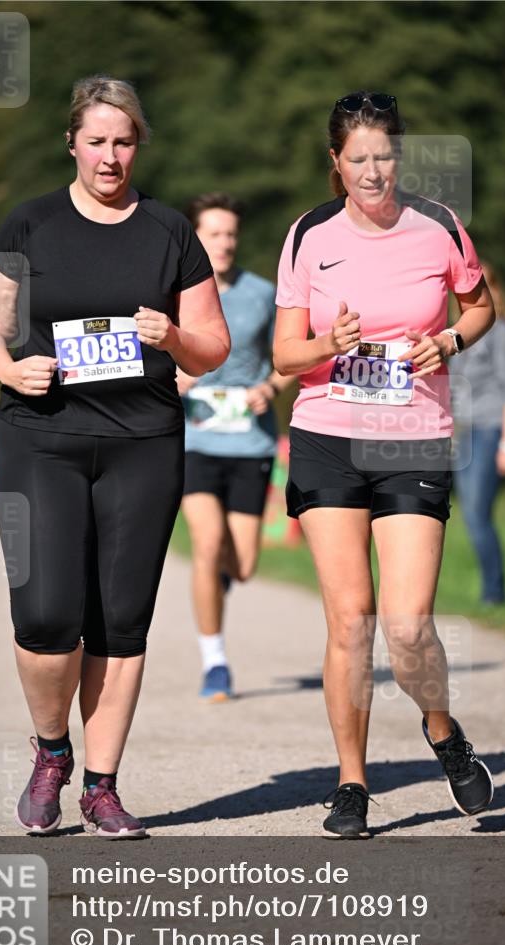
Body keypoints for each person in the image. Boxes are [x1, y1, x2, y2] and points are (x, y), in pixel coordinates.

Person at [0, 76, 229, 838]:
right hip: (41, 439)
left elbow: (212, 347)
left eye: (124, 141)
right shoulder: (31, 223)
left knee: (120, 620)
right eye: (97, 141)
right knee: (46, 616)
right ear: (72, 143)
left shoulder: (170, 232)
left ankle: (102, 787)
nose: (110, 156)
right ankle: (51, 752)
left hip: (142, 443)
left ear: (138, 145)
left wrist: (172, 337)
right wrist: (9, 369)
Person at [273, 91, 496, 838]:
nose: (373, 171)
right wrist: (327, 344)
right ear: (335, 163)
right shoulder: (307, 234)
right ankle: (351, 784)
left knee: (404, 626)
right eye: (357, 158)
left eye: (384, 155)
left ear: (398, 156)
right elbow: (283, 354)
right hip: (328, 434)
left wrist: (451, 344)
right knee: (350, 622)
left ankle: (440, 728)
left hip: (412, 437)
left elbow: (480, 307)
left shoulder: (438, 226)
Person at [177, 193, 293, 701]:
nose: (224, 243)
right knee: (206, 545)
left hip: (250, 442)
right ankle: (215, 663)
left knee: (242, 565)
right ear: (195, 238)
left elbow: (289, 356)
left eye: (230, 234)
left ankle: (217, 582)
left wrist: (269, 388)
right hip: (193, 441)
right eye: (213, 234)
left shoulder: (263, 292)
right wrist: (171, 378)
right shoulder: (172, 293)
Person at [449, 263, 505, 604]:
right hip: (462, 432)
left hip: (489, 429)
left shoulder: (500, 331)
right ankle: (490, 591)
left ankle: (495, 594)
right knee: (469, 514)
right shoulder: (454, 334)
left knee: (479, 513)